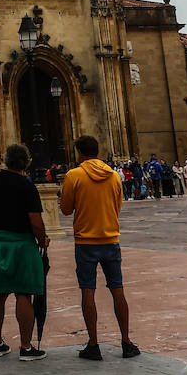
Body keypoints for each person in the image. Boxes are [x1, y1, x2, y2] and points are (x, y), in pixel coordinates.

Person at [59, 134, 140, 361]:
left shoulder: (73, 176)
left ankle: (93, 345)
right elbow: (117, 207)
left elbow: (65, 210)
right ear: (97, 150)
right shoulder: (114, 176)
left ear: (80, 153)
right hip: (110, 239)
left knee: (88, 291)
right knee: (118, 290)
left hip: (85, 242)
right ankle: (126, 342)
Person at [0, 144, 49, 362]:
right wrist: (42, 240)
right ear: (26, 163)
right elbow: (36, 222)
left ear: (6, 160)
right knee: (23, 293)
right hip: (23, 245)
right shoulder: (27, 187)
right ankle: (26, 347)